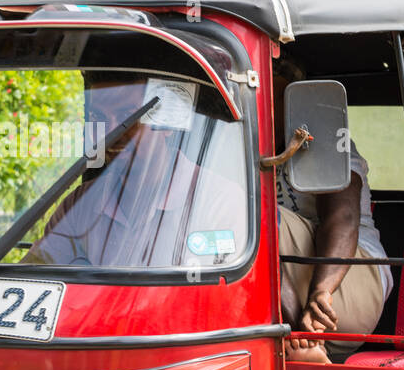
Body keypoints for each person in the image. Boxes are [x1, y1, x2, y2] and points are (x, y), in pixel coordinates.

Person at [24, 75, 247, 269]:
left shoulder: (219, 201)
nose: (110, 131)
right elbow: (36, 279)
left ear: (167, 125)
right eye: (98, 117)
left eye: (126, 116)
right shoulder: (80, 206)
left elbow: (220, 301)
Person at [270, 57, 391, 364]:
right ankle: (300, 340)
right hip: (296, 284)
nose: (271, 109)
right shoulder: (243, 149)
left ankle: (302, 334)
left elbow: (343, 218)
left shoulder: (325, 141)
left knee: (252, 214)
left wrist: (321, 292)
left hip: (350, 282)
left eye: (280, 99)